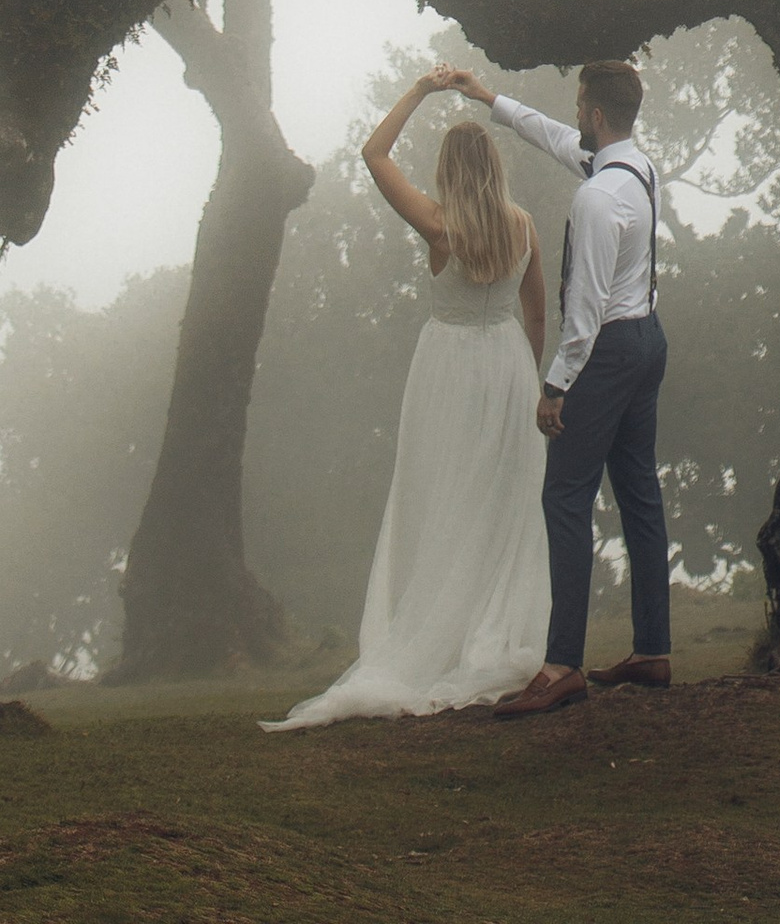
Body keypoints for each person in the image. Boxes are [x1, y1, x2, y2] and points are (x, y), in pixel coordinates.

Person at [263, 69, 551, 726]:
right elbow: (537, 316)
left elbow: (373, 154)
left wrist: (420, 91)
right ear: (495, 168)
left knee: (438, 496)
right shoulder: (525, 227)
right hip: (506, 364)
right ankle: (483, 631)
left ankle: (431, 634)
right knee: (497, 504)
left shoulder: (437, 223)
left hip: (444, 367)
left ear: (448, 170)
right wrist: (527, 384)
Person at [445, 57, 670, 717]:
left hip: (608, 351)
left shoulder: (597, 197)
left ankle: (561, 665)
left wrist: (554, 387)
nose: (573, 117)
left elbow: (586, 310)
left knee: (565, 498)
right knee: (639, 495)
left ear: (596, 115)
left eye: (578, 107)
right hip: (648, 340)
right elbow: (551, 136)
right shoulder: (636, 169)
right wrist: (488, 97)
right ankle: (653, 650)